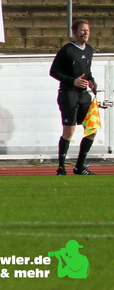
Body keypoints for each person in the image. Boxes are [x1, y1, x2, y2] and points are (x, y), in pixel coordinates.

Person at [49, 19, 97, 175]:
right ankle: (61, 167)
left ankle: (79, 166)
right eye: (82, 30)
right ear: (75, 32)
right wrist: (73, 81)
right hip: (68, 94)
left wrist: (91, 81)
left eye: (87, 31)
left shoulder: (89, 50)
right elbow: (54, 71)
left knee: (91, 130)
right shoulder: (67, 50)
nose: (85, 33)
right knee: (69, 131)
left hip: (84, 95)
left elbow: (87, 71)